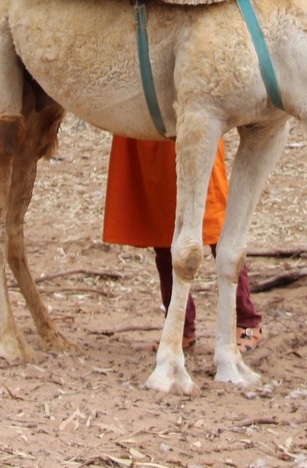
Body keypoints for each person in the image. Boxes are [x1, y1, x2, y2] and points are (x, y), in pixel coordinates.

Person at [103, 135, 264, 353]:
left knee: (216, 222)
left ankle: (247, 322)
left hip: (192, 125)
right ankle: (180, 330)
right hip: (145, 124)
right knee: (162, 220)